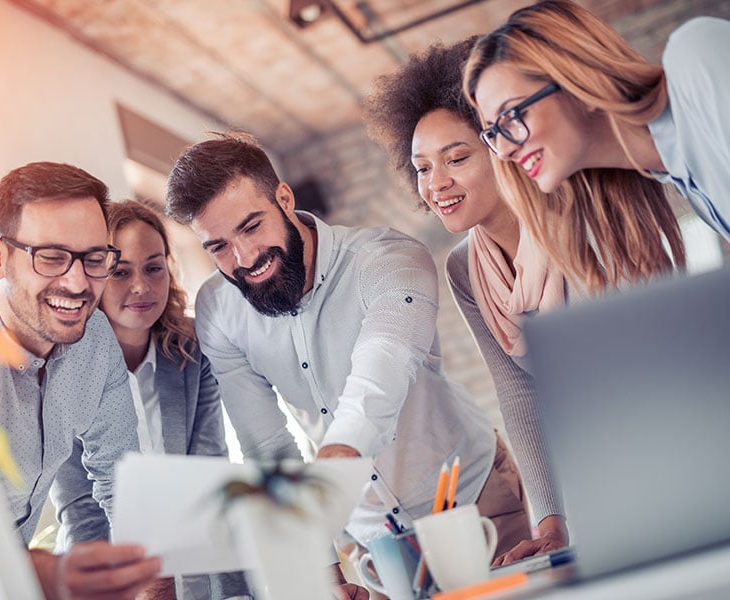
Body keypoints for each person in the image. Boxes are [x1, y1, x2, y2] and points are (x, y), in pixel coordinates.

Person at [165, 133, 532, 580]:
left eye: (251, 226)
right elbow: (267, 445)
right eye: (218, 246)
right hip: (370, 537)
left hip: (471, 497)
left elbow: (385, 360)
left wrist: (339, 455)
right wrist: (322, 565)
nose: (243, 258)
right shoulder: (218, 310)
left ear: (283, 198)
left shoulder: (389, 257)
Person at [363, 39, 568, 564]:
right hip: (581, 469)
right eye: (423, 168)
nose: (438, 184)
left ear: (502, 147)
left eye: (456, 158)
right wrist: (551, 522)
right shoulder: (462, 267)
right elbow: (520, 394)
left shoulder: (571, 225)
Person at [0, 162, 161, 599]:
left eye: (94, 258)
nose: (78, 283)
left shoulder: (95, 339)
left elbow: (123, 481)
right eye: (52, 257)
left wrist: (152, 581)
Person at [51, 199, 253, 600]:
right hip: (105, 571)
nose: (141, 286)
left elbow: (209, 478)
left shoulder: (192, 354)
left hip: (195, 562)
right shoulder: (61, 370)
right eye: (120, 272)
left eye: (153, 267)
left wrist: (236, 593)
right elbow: (79, 506)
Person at [462, 0, 693, 294]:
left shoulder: (695, 58)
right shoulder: (677, 176)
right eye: (494, 132)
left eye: (512, 116)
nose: (504, 150)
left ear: (578, 82)